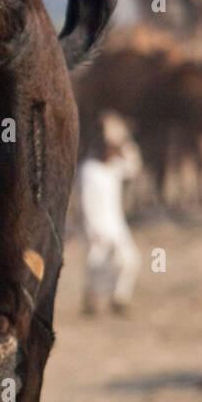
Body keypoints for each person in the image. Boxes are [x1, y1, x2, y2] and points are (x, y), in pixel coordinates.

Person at [78, 110, 142, 315]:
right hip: (97, 227)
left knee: (130, 260)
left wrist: (124, 141)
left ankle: (119, 299)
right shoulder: (90, 170)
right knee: (97, 265)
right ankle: (91, 301)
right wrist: (93, 229)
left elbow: (133, 167)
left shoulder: (113, 167)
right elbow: (86, 204)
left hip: (116, 225)